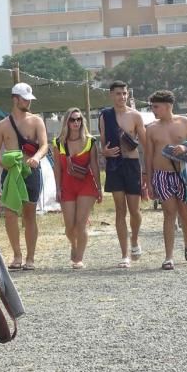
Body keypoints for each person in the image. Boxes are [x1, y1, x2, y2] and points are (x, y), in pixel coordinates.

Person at [0, 82, 48, 270]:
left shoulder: (36, 121)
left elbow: (44, 145)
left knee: (29, 213)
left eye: (29, 99)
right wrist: (4, 163)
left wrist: (36, 158)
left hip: (31, 171)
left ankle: (30, 257)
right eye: (24, 99)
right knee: (9, 214)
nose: (28, 103)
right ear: (15, 99)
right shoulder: (1, 125)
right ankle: (17, 255)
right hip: (11, 173)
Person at [143, 90, 187, 270]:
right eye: (152, 107)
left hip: (183, 174)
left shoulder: (186, 123)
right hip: (162, 174)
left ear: (168, 106)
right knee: (169, 213)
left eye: (156, 107)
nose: (153, 110)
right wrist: (149, 179)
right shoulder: (151, 128)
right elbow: (149, 155)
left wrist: (185, 147)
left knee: (185, 212)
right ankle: (168, 256)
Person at [98, 81, 147, 267]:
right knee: (120, 210)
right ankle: (124, 254)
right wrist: (105, 152)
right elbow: (102, 144)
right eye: (118, 93)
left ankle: (135, 239)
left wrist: (146, 170)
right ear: (111, 95)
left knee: (135, 210)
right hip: (114, 166)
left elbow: (144, 143)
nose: (122, 97)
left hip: (132, 164)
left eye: (125, 93)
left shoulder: (135, 116)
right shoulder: (105, 116)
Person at [53, 107, 102, 269]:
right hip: (67, 185)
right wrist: (58, 188)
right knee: (69, 226)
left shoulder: (90, 141)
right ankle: (73, 244)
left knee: (81, 224)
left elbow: (95, 166)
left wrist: (99, 188)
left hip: (86, 184)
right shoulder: (58, 142)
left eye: (79, 119)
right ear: (67, 122)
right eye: (73, 119)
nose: (76, 122)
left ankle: (79, 258)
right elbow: (57, 168)